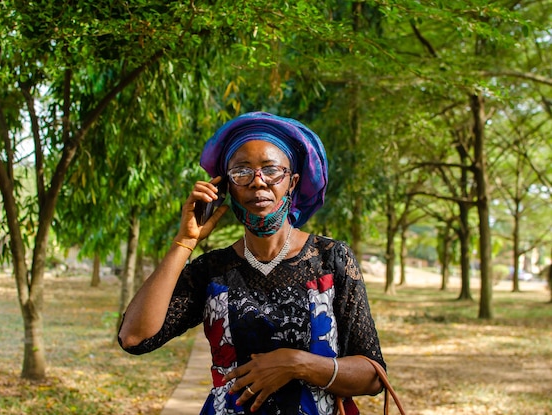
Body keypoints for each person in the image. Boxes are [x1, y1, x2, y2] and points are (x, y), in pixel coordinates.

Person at [118, 112, 385, 415]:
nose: (258, 183)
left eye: (271, 171)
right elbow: (134, 338)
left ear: (292, 182)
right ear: (226, 188)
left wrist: (296, 364)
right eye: (242, 172)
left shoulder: (330, 259)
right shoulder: (212, 271)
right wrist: (185, 241)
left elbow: (373, 375)